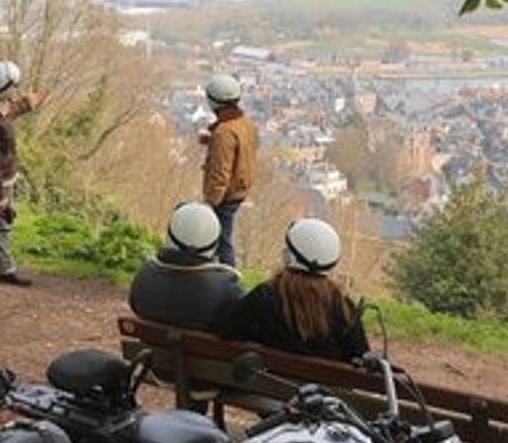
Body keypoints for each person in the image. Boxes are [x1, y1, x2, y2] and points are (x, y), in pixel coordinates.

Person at [218, 218, 368, 361]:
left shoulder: (265, 296)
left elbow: (227, 331)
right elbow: (360, 356)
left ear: (288, 256)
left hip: (267, 385)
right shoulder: (343, 308)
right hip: (325, 388)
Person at [0, 60, 48, 298]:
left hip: (4, 179)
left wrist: (27, 104)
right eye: (14, 87)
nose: (17, 92)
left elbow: (7, 114)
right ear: (4, 89)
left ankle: (5, 269)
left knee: (4, 225)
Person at [128, 202, 243, 330]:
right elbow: (234, 325)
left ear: (170, 233)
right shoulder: (226, 287)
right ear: (215, 242)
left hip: (148, 349)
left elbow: (134, 306)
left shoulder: (145, 273)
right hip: (196, 350)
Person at [199, 73, 258, 267]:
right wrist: (212, 140)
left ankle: (228, 280)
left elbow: (220, 172)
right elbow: (241, 148)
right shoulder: (245, 123)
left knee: (221, 242)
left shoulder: (224, 131)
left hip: (226, 194)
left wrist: (210, 202)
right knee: (221, 238)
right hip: (240, 188)